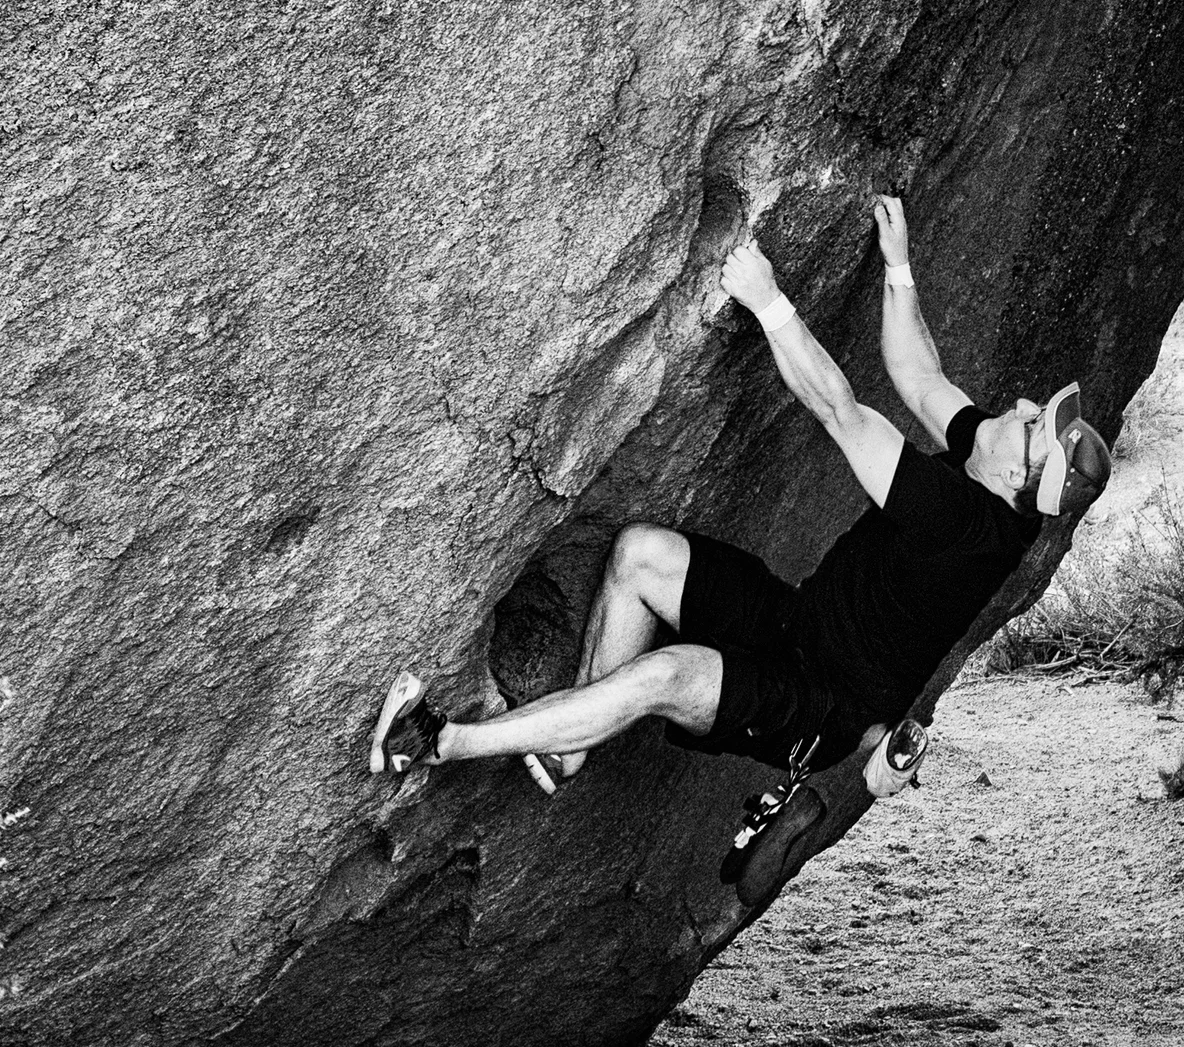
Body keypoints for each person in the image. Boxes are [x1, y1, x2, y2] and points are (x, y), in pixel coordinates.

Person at [365, 193, 1111, 811]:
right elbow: (921, 377)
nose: (1018, 406)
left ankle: (440, 741)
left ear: (1018, 477)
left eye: (1029, 426)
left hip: (817, 708)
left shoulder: (964, 522)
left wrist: (770, 302)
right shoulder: (994, 466)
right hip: (798, 621)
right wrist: (899, 265)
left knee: (664, 677)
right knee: (640, 555)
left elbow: (841, 411)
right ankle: (568, 749)